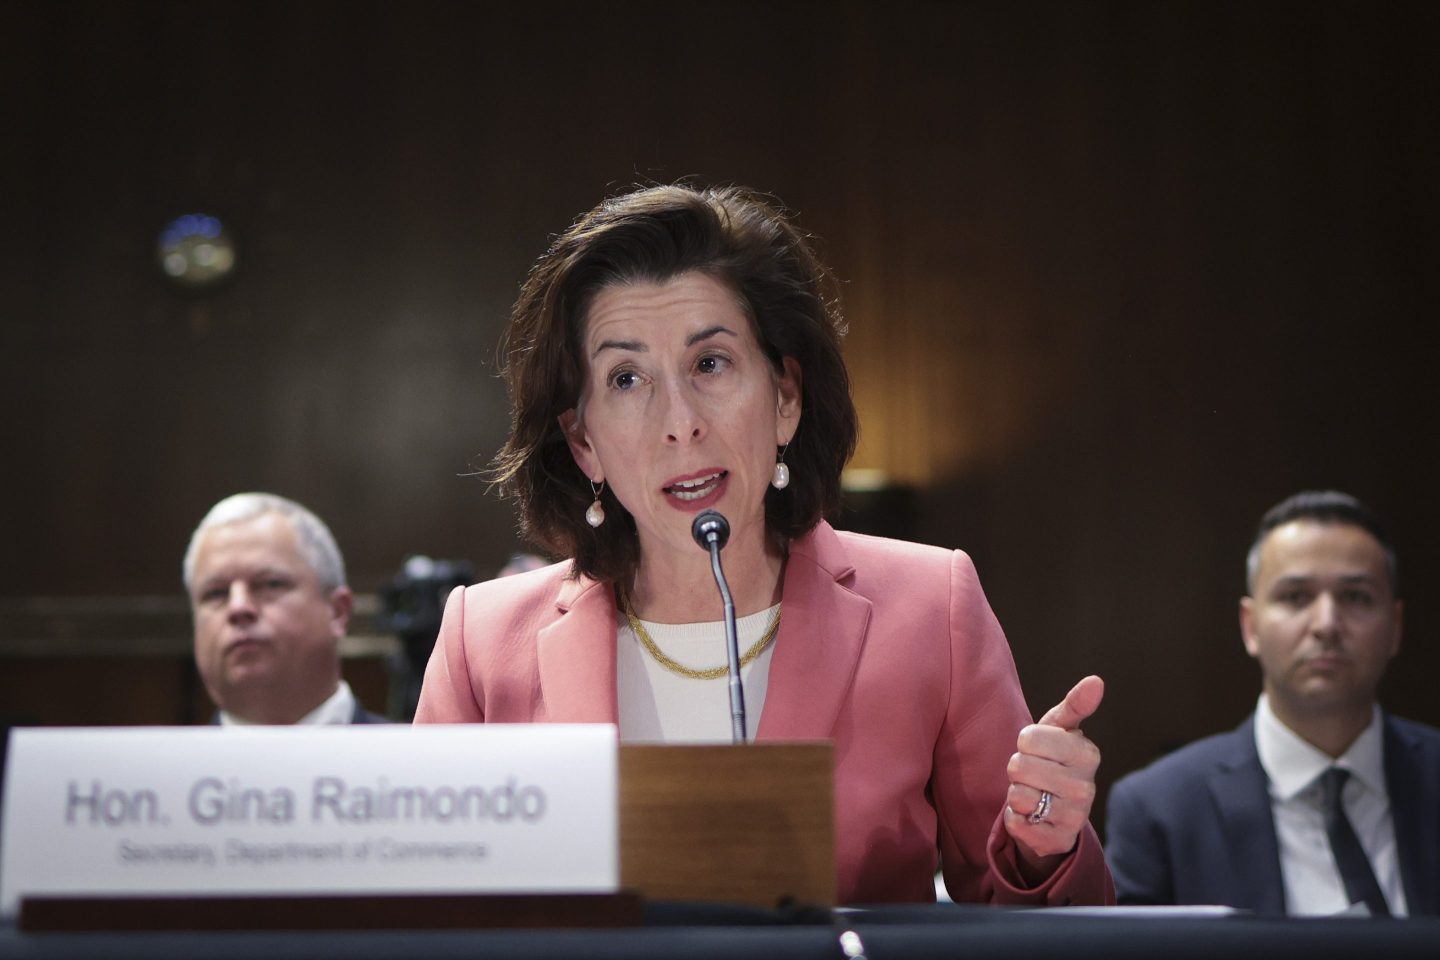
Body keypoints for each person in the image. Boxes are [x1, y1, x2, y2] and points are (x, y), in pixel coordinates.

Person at [414, 183, 1112, 905]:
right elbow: (416, 918)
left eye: (710, 364)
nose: (678, 422)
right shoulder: (482, 643)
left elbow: (1029, 928)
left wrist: (1041, 848)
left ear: (785, 398)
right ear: (584, 441)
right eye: (627, 379)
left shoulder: (930, 609)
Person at [1106, 490, 1440, 915]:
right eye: (1295, 597)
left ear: (1395, 627)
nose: (1326, 625)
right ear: (1250, 627)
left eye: (1355, 597)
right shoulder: (1160, 809)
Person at [183, 492, 389, 725]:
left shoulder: (411, 758)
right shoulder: (163, 763)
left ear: (337, 612)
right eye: (216, 593)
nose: (238, 607)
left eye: (270, 584)